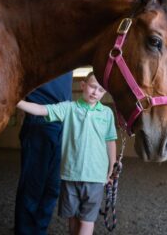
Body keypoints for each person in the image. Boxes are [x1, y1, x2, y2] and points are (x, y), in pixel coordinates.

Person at [17, 72, 117, 235]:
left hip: (95, 177)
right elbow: (42, 110)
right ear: (82, 85)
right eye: (92, 86)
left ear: (104, 93)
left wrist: (112, 165)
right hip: (71, 176)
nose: (95, 92)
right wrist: (18, 102)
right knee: (72, 217)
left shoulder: (107, 114)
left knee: (87, 220)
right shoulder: (68, 108)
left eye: (100, 90)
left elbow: (110, 140)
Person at [15, 72, 73, 235]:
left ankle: (39, 231)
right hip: (40, 119)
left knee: (53, 188)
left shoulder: (68, 58)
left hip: (63, 121)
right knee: (32, 188)